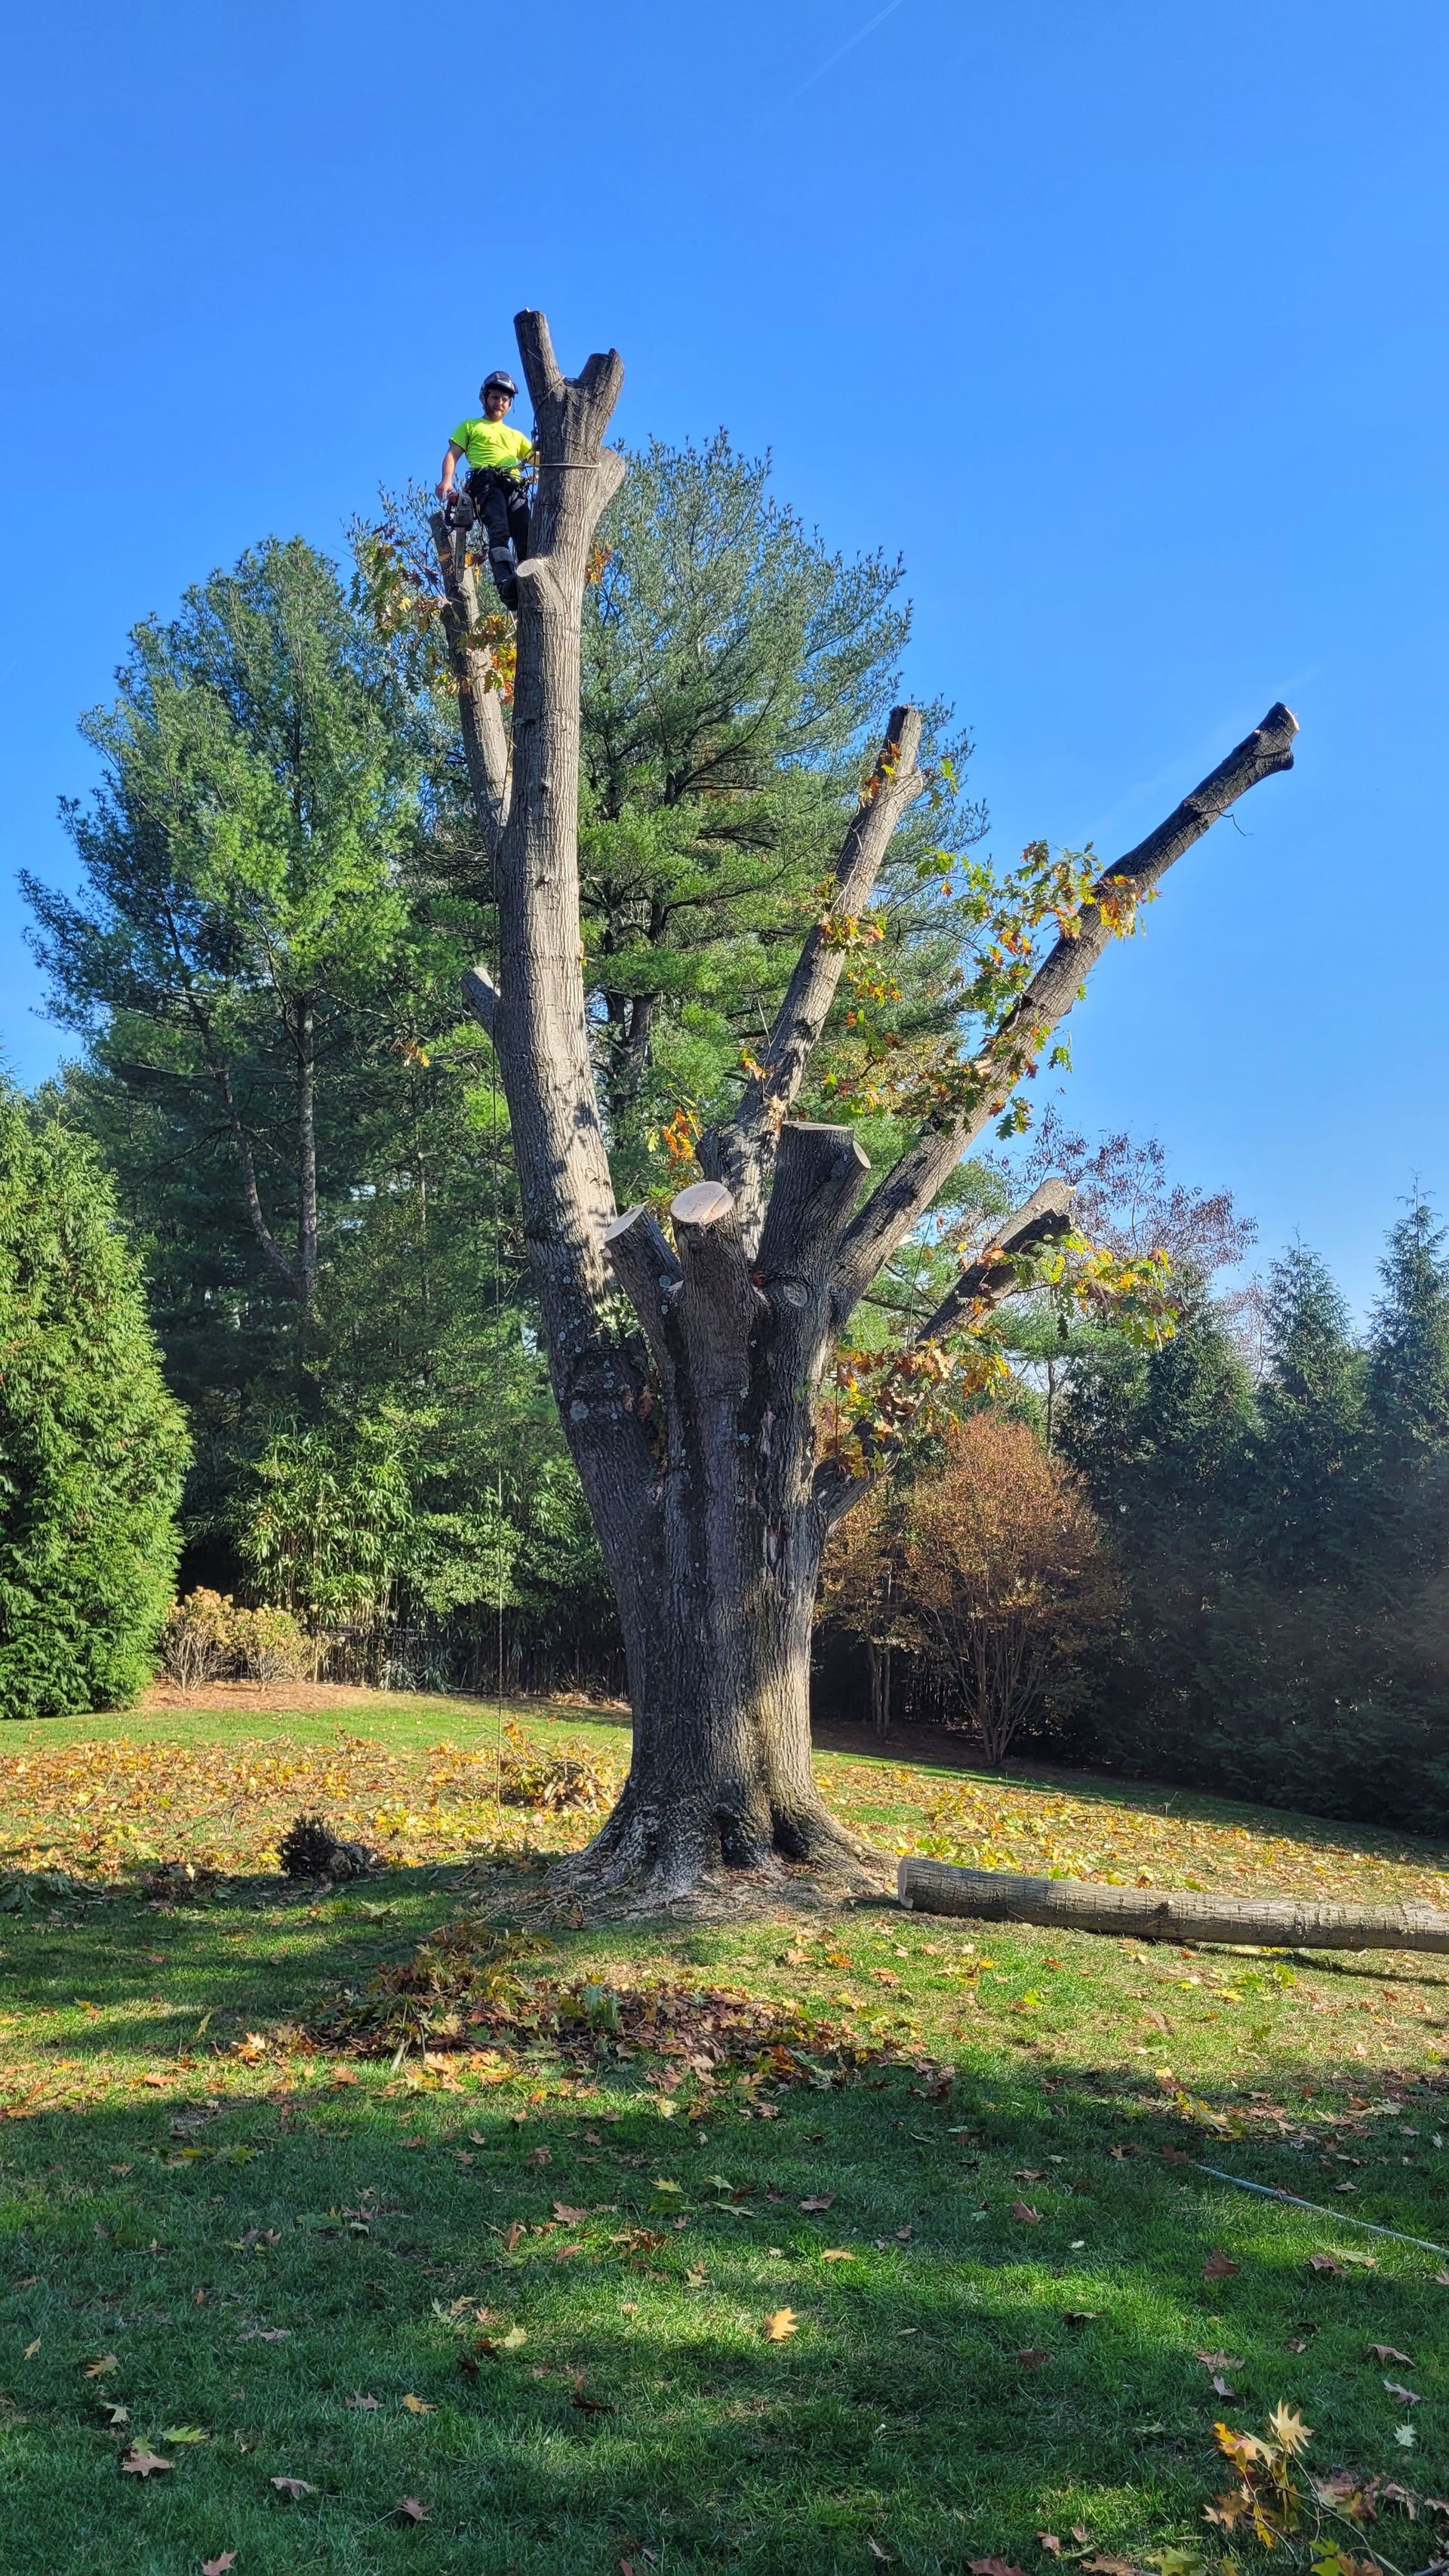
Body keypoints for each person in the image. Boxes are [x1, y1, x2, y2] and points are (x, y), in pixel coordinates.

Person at [437, 371, 534, 610]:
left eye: (504, 399)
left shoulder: (517, 436)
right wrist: (446, 481)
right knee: (499, 528)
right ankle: (505, 580)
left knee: (526, 535)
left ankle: (529, 579)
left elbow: (537, 459)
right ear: (484, 398)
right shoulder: (470, 426)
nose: (499, 403)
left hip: (514, 487)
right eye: (495, 397)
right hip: (486, 484)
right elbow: (453, 454)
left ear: (510, 404)